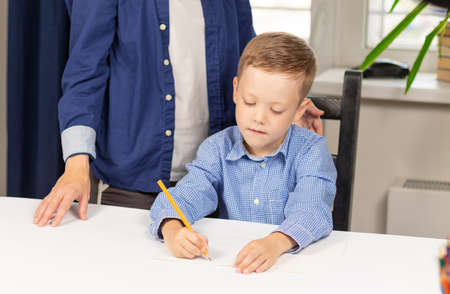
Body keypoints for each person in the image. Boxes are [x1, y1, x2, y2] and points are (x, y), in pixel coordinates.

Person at [33, 1, 324, 227]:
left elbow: (249, 58)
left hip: (216, 181)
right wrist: (76, 167)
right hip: (130, 182)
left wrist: (289, 107)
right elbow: (85, 74)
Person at [149, 32, 337, 274]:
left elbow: (312, 209)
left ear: (299, 111)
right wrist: (173, 230)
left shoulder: (310, 151)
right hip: (231, 269)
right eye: (250, 102)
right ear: (236, 91)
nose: (259, 118)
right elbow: (187, 194)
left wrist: (275, 243)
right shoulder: (217, 148)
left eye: (277, 110)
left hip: (289, 270)